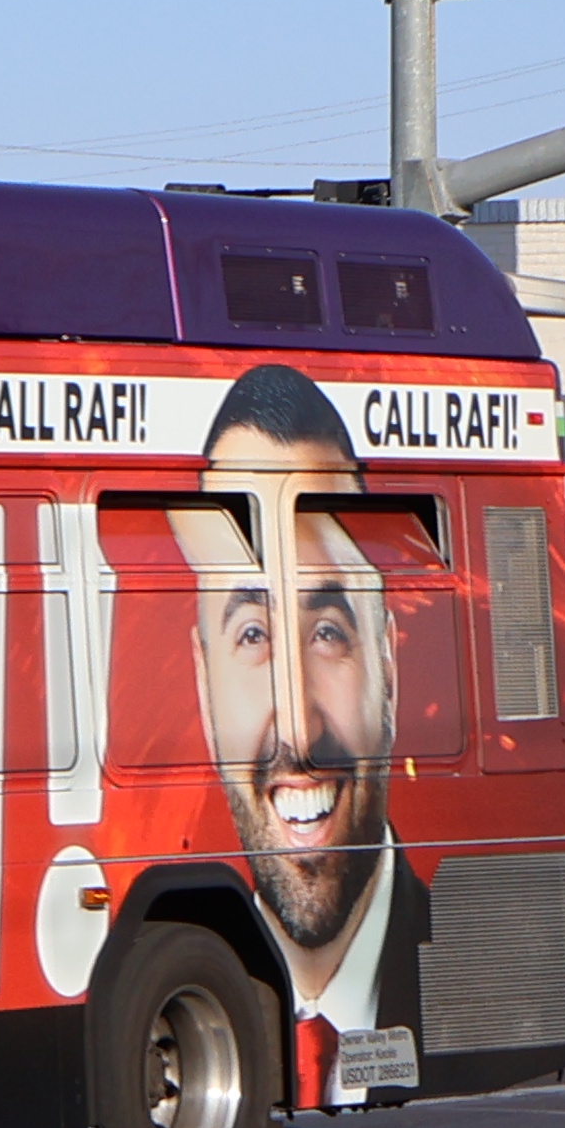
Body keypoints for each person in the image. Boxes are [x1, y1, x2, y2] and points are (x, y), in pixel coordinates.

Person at [179, 363, 427, 1046]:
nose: (298, 728)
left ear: (388, 664)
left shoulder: (471, 967)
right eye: (252, 634)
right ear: (204, 686)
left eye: (328, 633)